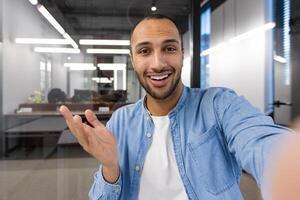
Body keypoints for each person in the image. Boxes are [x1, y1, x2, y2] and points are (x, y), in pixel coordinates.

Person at [60, 14, 293, 199]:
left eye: (169, 48)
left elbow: (263, 143)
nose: (158, 63)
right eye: (144, 51)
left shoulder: (220, 105)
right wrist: (110, 168)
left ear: (182, 54)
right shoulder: (121, 121)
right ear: (133, 60)